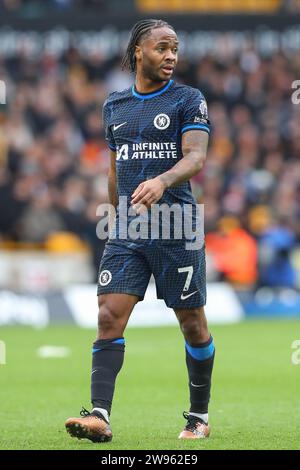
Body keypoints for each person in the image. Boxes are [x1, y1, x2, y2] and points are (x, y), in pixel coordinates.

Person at [65, 18, 215, 443]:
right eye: (162, 48)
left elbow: (196, 157)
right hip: (128, 228)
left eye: (175, 49)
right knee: (108, 316)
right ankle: (98, 414)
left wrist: (162, 180)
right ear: (138, 52)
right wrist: (114, 217)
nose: (170, 56)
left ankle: (199, 416)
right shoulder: (114, 104)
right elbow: (114, 168)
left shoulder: (189, 99)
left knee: (192, 323)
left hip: (176, 225)